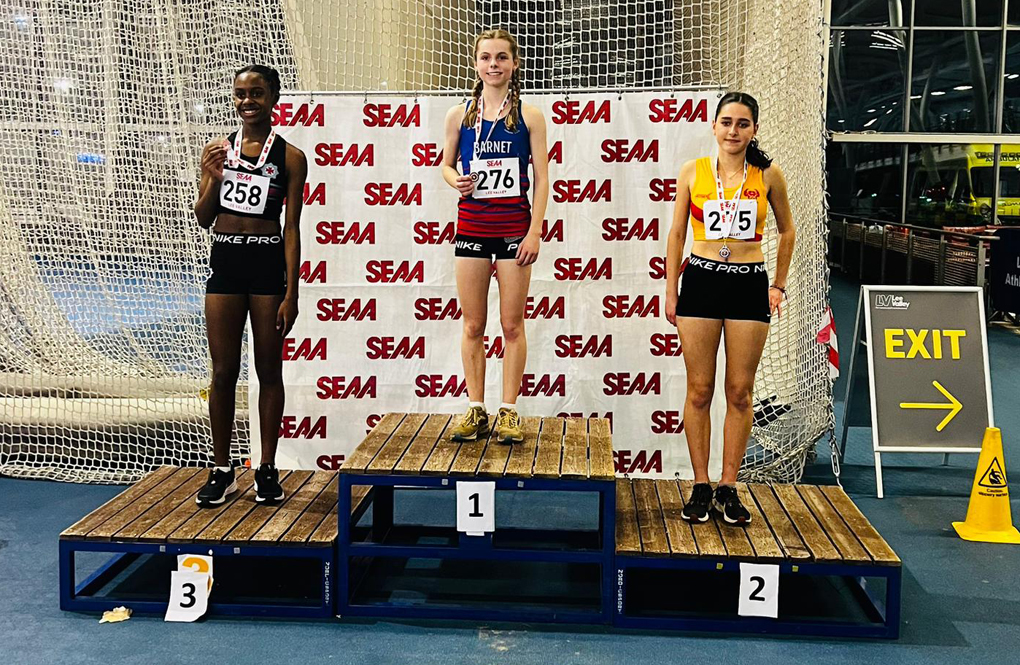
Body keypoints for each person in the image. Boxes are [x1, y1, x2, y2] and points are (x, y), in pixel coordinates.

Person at [664, 91, 796, 525]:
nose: (733, 131)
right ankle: (701, 484)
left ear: (754, 129)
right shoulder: (693, 171)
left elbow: (788, 231)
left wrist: (777, 285)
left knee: (739, 391)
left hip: (747, 285)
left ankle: (728, 486)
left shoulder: (767, 174)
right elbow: (676, 233)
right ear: (714, 126)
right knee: (699, 389)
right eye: (726, 122)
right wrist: (670, 290)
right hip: (701, 282)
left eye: (742, 123)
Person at [193, 65, 308, 507]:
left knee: (268, 370)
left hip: (266, 267)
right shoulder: (217, 151)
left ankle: (266, 468)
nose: (247, 101)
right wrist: (212, 178)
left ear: (273, 97)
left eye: (256, 93)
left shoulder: (291, 157)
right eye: (241, 94)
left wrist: (292, 293)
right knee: (223, 372)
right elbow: (203, 217)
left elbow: (292, 228)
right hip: (225, 263)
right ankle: (222, 469)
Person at [440, 29, 549, 444]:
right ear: (476, 64)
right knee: (472, 324)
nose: (493, 65)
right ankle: (475, 407)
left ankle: (508, 410)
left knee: (511, 324)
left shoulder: (529, 116)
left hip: (513, 230)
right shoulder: (459, 115)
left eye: (501, 57)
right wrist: (455, 180)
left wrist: (534, 231)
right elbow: (446, 164)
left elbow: (542, 179)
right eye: (486, 57)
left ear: (514, 64)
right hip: (471, 227)